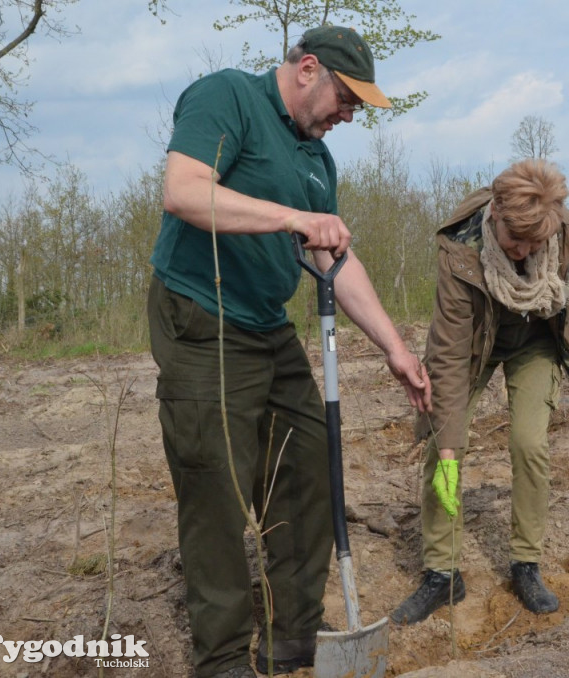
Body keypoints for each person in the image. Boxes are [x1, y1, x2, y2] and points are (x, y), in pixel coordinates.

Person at [146, 26, 431, 678]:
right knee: (216, 487)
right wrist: (291, 218)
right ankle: (221, 659)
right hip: (200, 317)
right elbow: (184, 190)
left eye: (359, 107)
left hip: (267, 327)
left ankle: (293, 636)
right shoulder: (228, 99)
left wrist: (394, 348)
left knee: (307, 465)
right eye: (347, 99)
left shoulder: (315, 160)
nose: (349, 116)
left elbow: (334, 257)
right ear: (309, 70)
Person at [391, 159, 569, 625]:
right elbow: (449, 356)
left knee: (529, 442)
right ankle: (443, 572)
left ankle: (526, 563)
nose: (522, 252)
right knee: (444, 455)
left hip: (538, 342)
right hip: (475, 345)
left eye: (534, 243)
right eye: (514, 241)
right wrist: (446, 448)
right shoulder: (460, 246)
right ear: (496, 214)